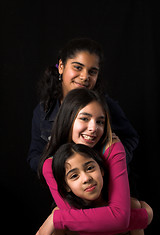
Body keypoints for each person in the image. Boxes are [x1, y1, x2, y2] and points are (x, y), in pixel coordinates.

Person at [34, 88, 152, 235]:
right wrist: (141, 217)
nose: (93, 128)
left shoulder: (112, 149)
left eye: (100, 122)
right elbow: (80, 229)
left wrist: (58, 219)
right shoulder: (50, 165)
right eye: (84, 118)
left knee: (134, 204)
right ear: (68, 119)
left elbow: (120, 217)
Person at [27, 38, 139, 172]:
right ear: (61, 67)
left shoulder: (105, 105)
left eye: (92, 72)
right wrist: (59, 168)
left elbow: (130, 137)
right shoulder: (43, 111)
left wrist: (113, 163)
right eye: (78, 67)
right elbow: (34, 156)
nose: (85, 76)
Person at [44, 143, 151, 235]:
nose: (86, 178)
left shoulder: (131, 206)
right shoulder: (61, 215)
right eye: (74, 176)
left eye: (90, 168)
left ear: (102, 170)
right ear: (66, 186)